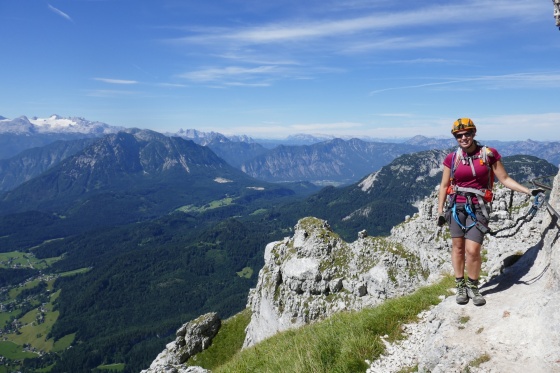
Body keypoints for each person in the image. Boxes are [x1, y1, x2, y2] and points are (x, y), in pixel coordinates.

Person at [437, 118, 539, 306]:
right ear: (455, 138)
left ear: (474, 133)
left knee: (473, 250)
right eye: (459, 135)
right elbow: (444, 185)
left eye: (467, 133)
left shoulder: (489, 154)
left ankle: (473, 286)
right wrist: (440, 211)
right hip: (455, 207)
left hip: (479, 208)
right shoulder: (451, 159)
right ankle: (460, 285)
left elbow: (505, 178)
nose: (464, 137)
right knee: (458, 248)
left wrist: (527, 191)